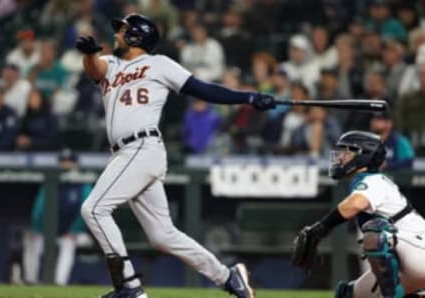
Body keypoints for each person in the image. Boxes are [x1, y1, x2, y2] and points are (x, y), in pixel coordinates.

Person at [75, 13, 275, 298]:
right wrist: (89, 54)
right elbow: (94, 70)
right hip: (128, 153)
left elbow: (203, 89)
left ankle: (129, 287)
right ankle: (229, 277)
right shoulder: (111, 64)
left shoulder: (159, 64)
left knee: (93, 209)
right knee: (163, 235)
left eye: (122, 31)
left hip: (141, 148)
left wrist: (249, 97)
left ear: (136, 36)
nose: (117, 35)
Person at [291, 131, 425, 298]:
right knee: (347, 294)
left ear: (364, 156)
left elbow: (354, 204)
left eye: (347, 152)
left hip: (418, 253)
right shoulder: (369, 180)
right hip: (407, 260)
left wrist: (319, 230)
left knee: (374, 233)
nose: (340, 158)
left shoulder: (374, 180)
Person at [23, 149, 92, 285]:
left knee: (68, 244)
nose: (66, 165)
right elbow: (39, 209)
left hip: (77, 234)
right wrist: (37, 229)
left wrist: (73, 231)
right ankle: (30, 280)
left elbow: (86, 212)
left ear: (76, 164)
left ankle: (59, 283)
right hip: (49, 232)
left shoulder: (84, 184)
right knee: (34, 241)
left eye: (69, 162)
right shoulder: (52, 181)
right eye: (63, 161)